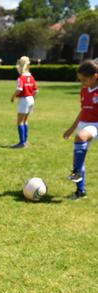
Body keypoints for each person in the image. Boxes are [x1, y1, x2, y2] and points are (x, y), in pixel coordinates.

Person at [62, 59, 97, 200]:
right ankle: (80, 192)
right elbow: (83, 111)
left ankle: (76, 171)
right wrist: (72, 128)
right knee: (78, 158)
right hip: (84, 123)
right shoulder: (84, 91)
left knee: (80, 137)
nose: (82, 83)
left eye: (84, 80)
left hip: (96, 124)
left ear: (95, 77)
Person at [10, 56, 38, 149]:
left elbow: (19, 89)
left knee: (20, 121)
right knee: (25, 120)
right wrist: (33, 99)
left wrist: (13, 97)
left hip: (24, 99)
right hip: (31, 99)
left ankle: (22, 143)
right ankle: (25, 141)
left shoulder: (21, 77)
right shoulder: (31, 76)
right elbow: (35, 90)